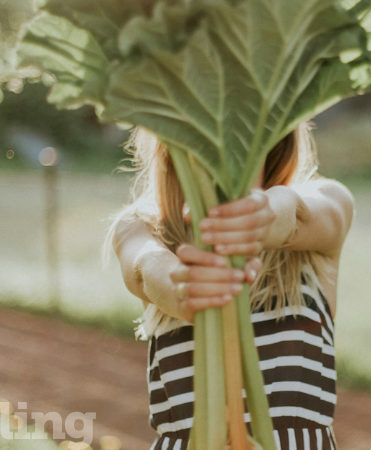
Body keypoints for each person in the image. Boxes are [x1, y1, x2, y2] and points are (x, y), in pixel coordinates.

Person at [102, 121, 354, 450]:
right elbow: (145, 266)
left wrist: (264, 213)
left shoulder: (323, 206)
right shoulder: (142, 228)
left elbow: (297, 214)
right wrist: (184, 288)